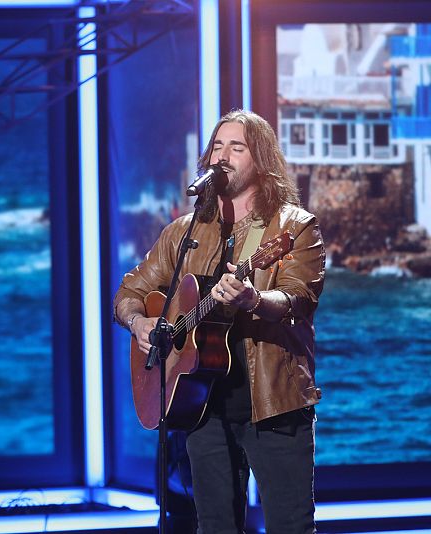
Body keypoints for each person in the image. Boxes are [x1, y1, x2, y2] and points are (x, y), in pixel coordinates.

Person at [113, 110, 324, 533]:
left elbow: (298, 299)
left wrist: (253, 298)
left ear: (261, 159)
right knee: (215, 526)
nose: (222, 156)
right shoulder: (184, 231)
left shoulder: (294, 228)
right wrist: (138, 324)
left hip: (273, 403)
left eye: (237, 147)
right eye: (217, 146)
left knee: (290, 526)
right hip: (200, 404)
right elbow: (130, 292)